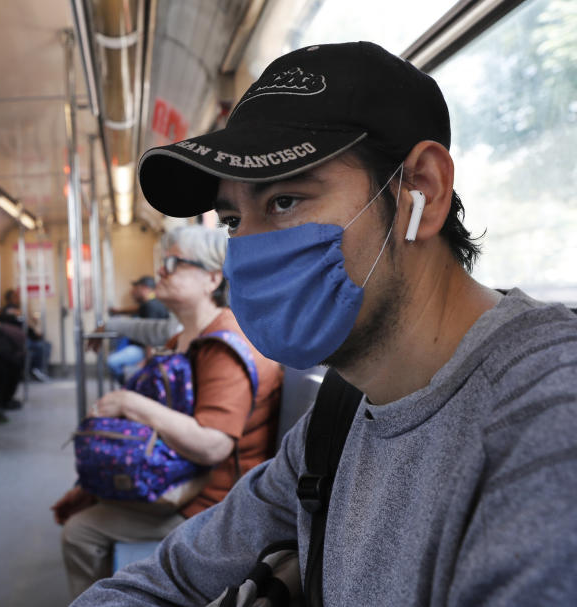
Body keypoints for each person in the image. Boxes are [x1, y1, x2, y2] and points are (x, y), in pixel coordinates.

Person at [73, 42, 577, 606]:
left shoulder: (548, 418)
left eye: (286, 200)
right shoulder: (338, 417)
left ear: (422, 191)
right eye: (235, 219)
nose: (251, 251)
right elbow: (173, 576)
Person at [53, 225, 283, 598]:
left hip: (213, 501)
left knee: (80, 531)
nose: (161, 271)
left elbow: (213, 445)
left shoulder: (223, 347)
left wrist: (131, 404)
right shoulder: (186, 337)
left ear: (211, 278)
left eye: (173, 263)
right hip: (187, 478)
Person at [105, 276, 171, 384]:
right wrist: (118, 311)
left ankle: (129, 384)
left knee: (113, 361)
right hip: (144, 348)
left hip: (144, 350)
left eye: (136, 288)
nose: (132, 292)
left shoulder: (151, 306)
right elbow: (137, 309)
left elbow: (150, 335)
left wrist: (148, 361)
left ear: (144, 288)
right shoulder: (151, 303)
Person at [1, 288, 52, 381]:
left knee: (46, 345)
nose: (17, 299)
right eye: (15, 297)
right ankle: (36, 370)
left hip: (25, 336)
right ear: (10, 298)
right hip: (17, 339)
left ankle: (38, 369)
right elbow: (25, 321)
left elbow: (28, 324)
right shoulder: (9, 309)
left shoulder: (17, 309)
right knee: (40, 346)